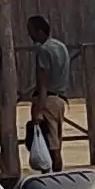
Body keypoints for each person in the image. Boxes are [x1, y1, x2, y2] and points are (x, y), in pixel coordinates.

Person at [23, 14, 75, 174]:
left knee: (48, 145)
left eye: (30, 31)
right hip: (59, 100)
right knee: (56, 143)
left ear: (39, 31)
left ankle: (52, 177)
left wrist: (39, 109)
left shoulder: (43, 51)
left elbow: (43, 82)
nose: (29, 35)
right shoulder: (61, 47)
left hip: (47, 102)